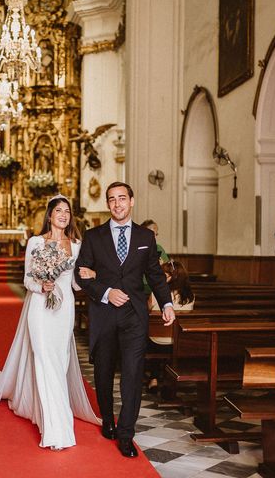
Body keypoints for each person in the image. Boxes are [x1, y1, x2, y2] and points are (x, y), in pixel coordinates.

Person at [0, 195, 100, 450]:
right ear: (49, 215)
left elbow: (76, 284)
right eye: (59, 210)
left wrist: (90, 274)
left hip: (64, 308)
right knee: (44, 360)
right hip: (40, 308)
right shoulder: (35, 242)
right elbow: (27, 280)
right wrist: (42, 285)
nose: (64, 215)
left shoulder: (78, 245)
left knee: (60, 362)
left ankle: (47, 412)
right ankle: (55, 427)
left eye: (67, 211)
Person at [74, 182, 175, 458]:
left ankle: (126, 433)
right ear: (108, 204)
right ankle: (107, 419)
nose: (117, 204)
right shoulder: (93, 237)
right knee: (104, 371)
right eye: (112, 200)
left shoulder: (146, 237)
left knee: (132, 374)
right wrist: (106, 292)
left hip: (134, 316)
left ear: (132, 201)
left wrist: (166, 302)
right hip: (104, 314)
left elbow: (154, 274)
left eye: (122, 198)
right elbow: (80, 274)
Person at [146, 260, 195, 393]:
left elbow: (147, 312)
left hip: (157, 339)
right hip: (180, 340)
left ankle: (154, 378)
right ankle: (169, 379)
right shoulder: (190, 296)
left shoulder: (156, 294)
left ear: (171, 277)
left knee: (148, 335)